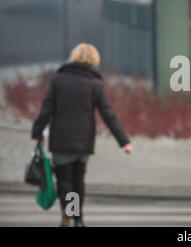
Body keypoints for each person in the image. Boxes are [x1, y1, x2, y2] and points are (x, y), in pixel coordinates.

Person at [31, 43, 132, 227]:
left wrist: (37, 133)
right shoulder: (95, 82)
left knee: (65, 180)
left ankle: (68, 214)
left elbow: (46, 108)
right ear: (94, 59)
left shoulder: (59, 79)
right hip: (84, 141)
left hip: (61, 139)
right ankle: (79, 219)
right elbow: (107, 113)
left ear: (74, 56)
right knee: (78, 180)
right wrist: (123, 141)